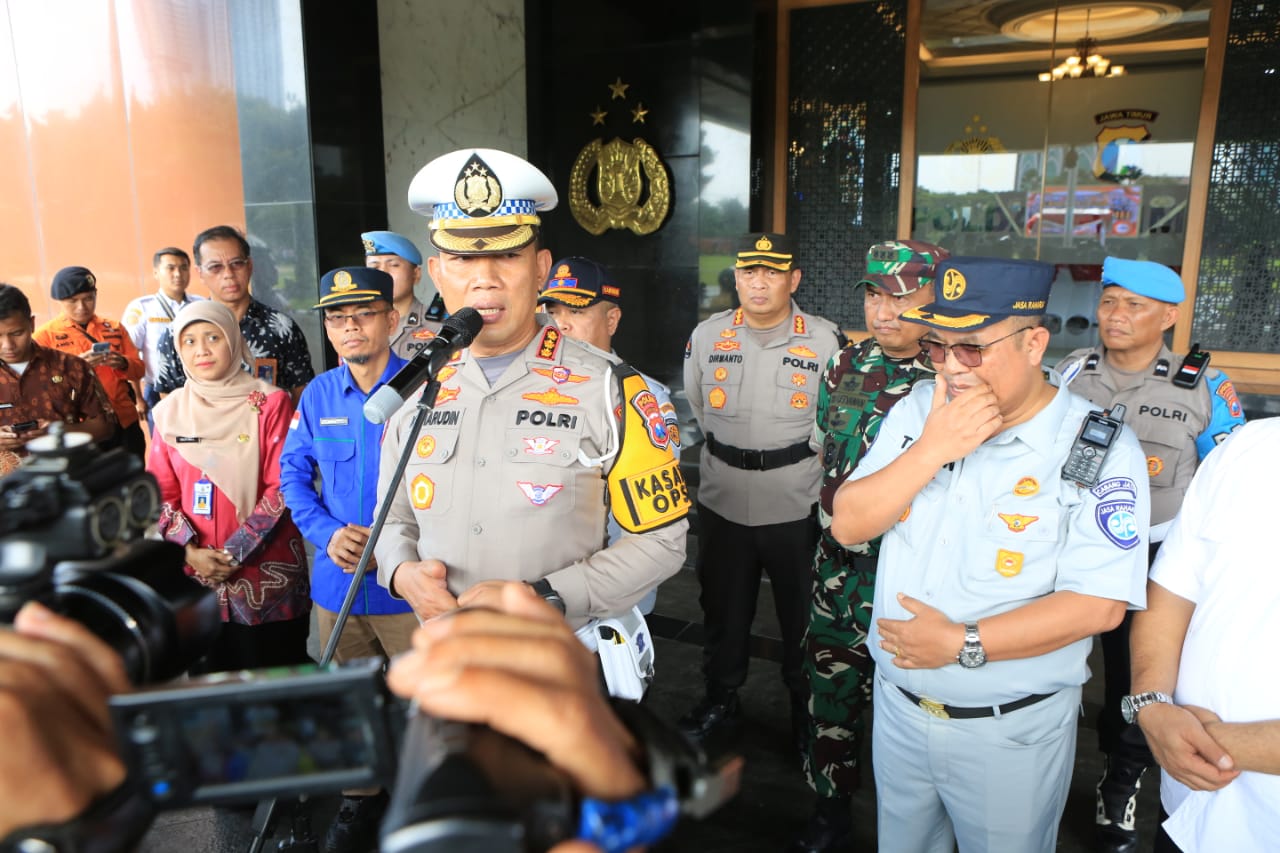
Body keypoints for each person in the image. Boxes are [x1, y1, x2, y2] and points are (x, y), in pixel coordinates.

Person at [831, 257, 1150, 853]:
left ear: (1034, 344)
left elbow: (1099, 604)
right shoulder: (920, 411)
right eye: (937, 346)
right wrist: (930, 449)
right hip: (900, 711)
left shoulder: (1095, 447)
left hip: (1010, 732)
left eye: (972, 349)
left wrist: (962, 643)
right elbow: (848, 523)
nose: (951, 367)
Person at [371, 147, 688, 632]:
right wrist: (400, 572)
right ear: (436, 272)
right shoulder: (417, 385)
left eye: (507, 255)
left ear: (541, 268)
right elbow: (392, 518)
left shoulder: (610, 388)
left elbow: (661, 541)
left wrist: (548, 595)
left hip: (558, 654)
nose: (485, 281)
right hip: (446, 652)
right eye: (462, 259)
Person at [1056, 256, 1246, 853]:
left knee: (1137, 680)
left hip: (1154, 558)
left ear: (1167, 316)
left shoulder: (1205, 386)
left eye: (1133, 305)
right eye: (1109, 301)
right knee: (1048, 661)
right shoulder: (1069, 371)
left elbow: (1228, 481)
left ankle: (1120, 786)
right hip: (1065, 548)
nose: (1115, 315)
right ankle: (1040, 771)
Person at [793, 240, 947, 852]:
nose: (884, 312)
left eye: (902, 298)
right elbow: (824, 452)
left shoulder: (954, 373)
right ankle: (829, 809)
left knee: (914, 706)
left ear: (935, 297)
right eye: (875, 296)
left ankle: (912, 825)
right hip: (838, 571)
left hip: (910, 575)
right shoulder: (845, 363)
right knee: (831, 694)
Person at [678, 233, 842, 749]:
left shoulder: (824, 341)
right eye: (749, 272)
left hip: (795, 501)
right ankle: (720, 698)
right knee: (722, 610)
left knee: (802, 616)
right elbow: (699, 406)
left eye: (772, 272)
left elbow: (834, 424)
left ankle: (803, 711)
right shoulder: (708, 336)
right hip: (724, 499)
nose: (759, 283)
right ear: (737, 278)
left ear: (794, 280)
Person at [279, 266, 419, 853]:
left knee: (424, 702)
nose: (349, 327)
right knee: (348, 700)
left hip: (407, 585)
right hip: (338, 585)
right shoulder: (318, 394)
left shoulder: (426, 388)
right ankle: (360, 799)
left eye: (363, 314)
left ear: (392, 318)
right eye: (337, 318)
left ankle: (419, 800)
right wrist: (325, 532)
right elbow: (292, 475)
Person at [1129, 419, 1280, 853]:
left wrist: (1207, 743)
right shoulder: (1250, 445)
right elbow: (1173, 589)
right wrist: (1151, 703)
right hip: (1191, 805)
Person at [148, 300, 311, 672]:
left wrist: (234, 554)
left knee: (277, 682)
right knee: (212, 690)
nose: (201, 350)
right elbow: (159, 493)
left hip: (265, 579)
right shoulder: (169, 413)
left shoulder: (270, 403)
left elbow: (282, 487)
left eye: (213, 337)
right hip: (197, 582)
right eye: (189, 341)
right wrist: (190, 553)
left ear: (234, 340)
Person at [537, 255, 681, 614]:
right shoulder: (528, 390)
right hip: (531, 591)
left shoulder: (641, 397)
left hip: (609, 599)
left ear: (612, 320)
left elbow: (653, 527)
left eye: (576, 311)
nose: (560, 324)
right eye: (552, 312)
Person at [152, 226, 315, 404]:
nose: (228, 274)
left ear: (249, 266)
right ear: (200, 273)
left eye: (237, 264)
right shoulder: (178, 333)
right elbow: (169, 401)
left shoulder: (281, 328)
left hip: (268, 422)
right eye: (215, 267)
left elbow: (302, 395)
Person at [0, 283, 117, 477]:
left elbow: (104, 426)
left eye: (17, 333)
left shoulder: (71, 367)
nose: (8, 345)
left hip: (66, 482)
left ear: (32, 324)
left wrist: (59, 432)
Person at [34, 266, 146, 461]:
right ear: (60, 301)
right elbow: (38, 387)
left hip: (124, 421)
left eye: (88, 298)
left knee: (133, 474)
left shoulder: (114, 328)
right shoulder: (44, 337)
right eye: (73, 301)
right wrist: (75, 368)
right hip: (82, 427)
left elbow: (139, 370)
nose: (82, 307)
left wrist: (123, 363)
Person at [121, 247, 203, 432]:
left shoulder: (201, 304)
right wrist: (138, 397)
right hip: (159, 390)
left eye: (183, 268)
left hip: (199, 388)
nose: (178, 274)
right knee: (165, 442)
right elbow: (129, 355)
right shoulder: (142, 308)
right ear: (156, 272)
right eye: (171, 268)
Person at [361, 230, 443, 359]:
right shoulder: (357, 326)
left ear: (416, 274)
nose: (383, 274)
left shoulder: (438, 326)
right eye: (374, 267)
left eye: (394, 265)